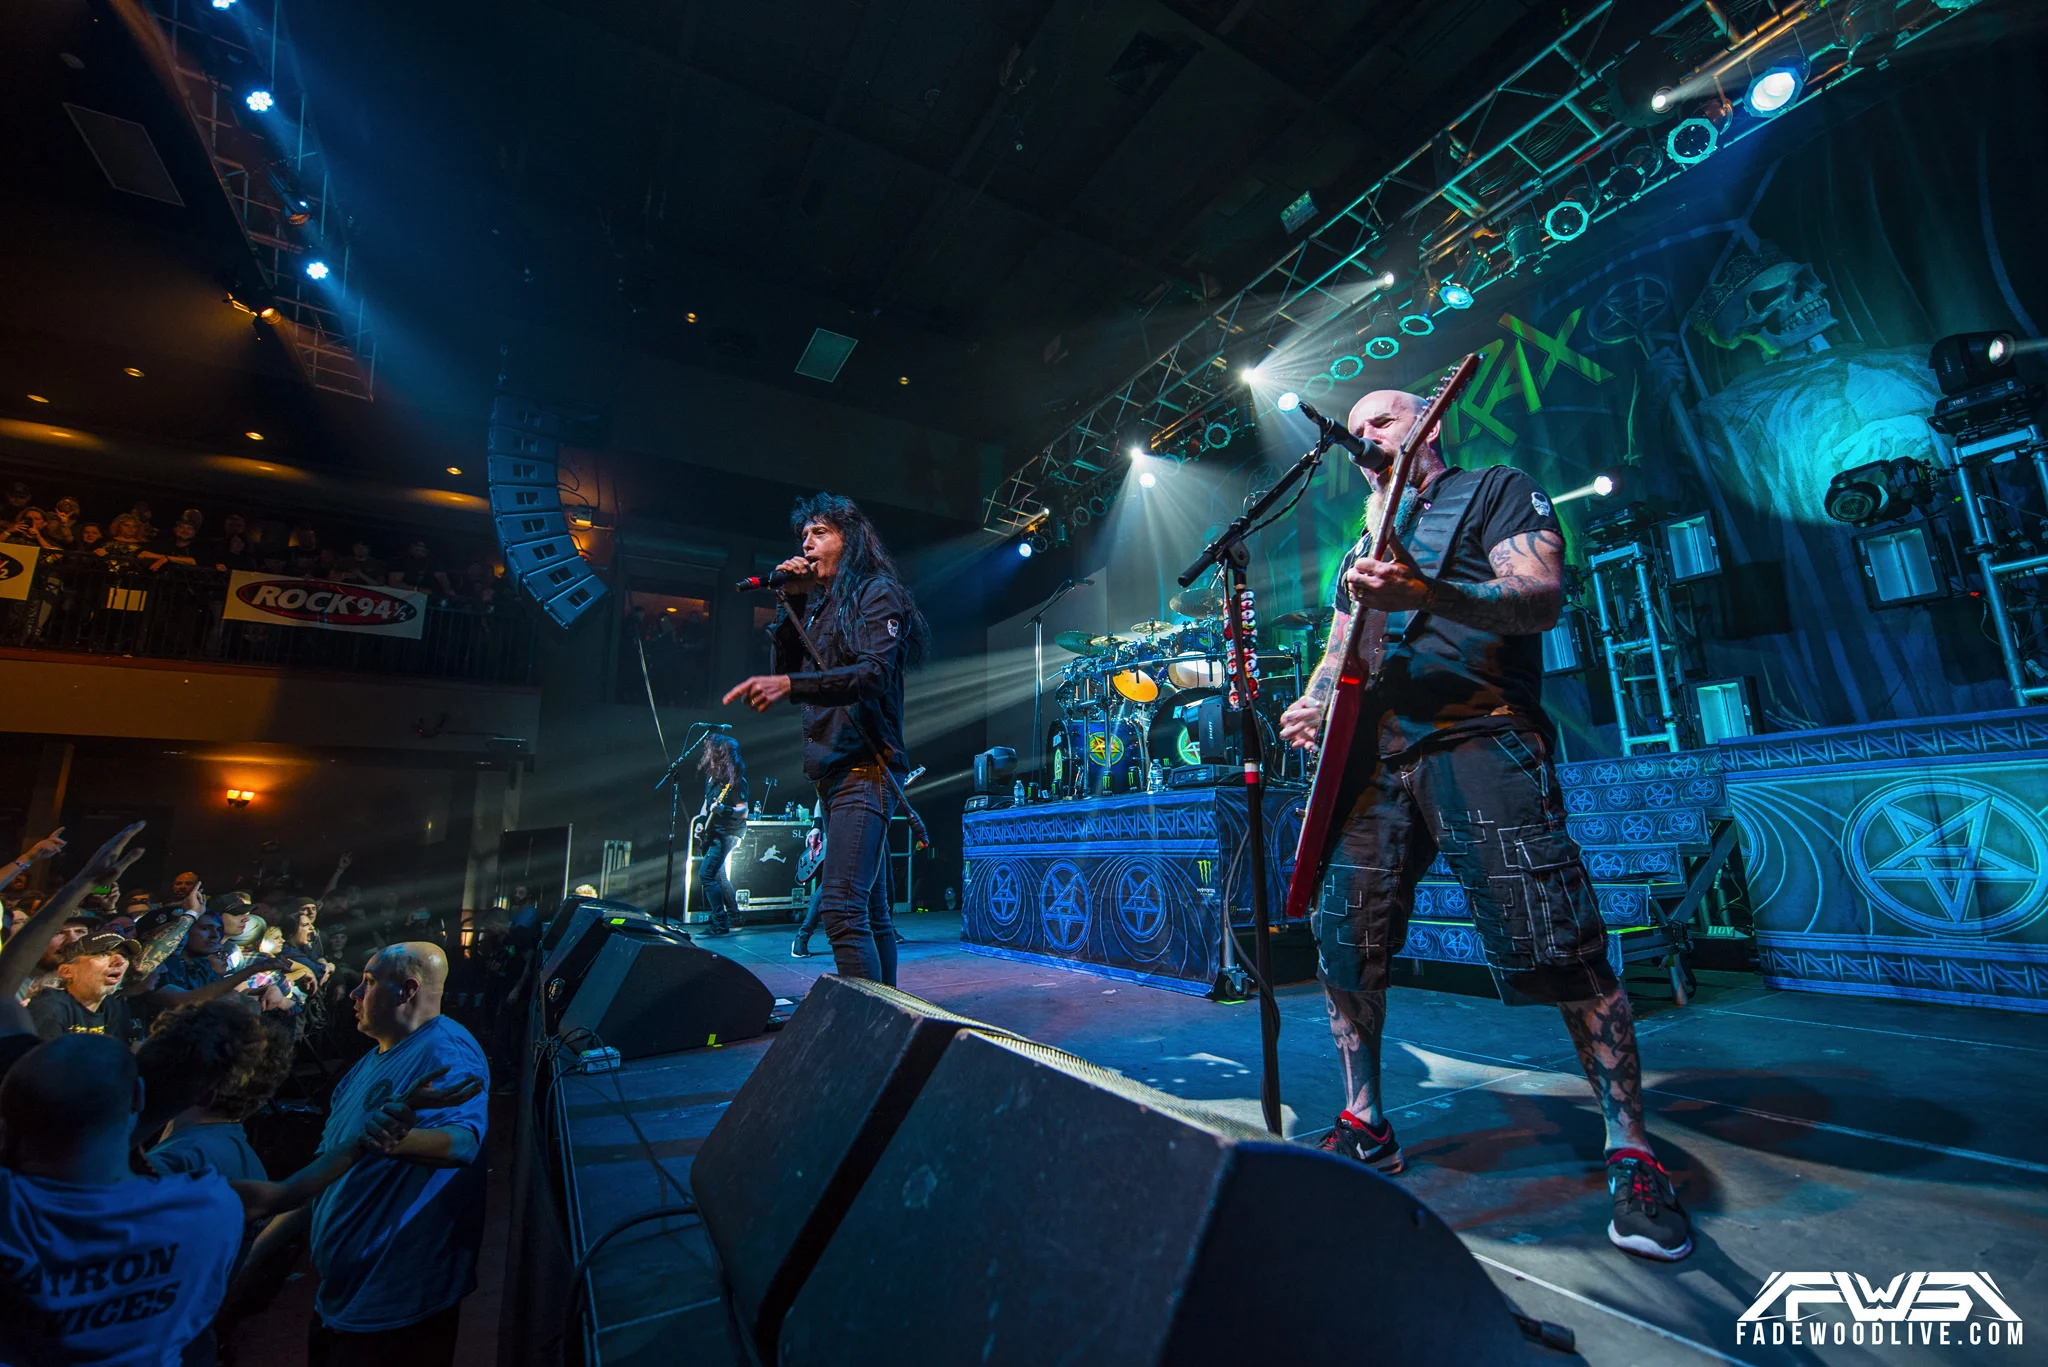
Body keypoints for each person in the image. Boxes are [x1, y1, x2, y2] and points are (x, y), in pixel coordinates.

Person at [1277, 389, 1692, 1262]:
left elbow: (1538, 595)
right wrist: (1313, 704)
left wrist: (1427, 590)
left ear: (1429, 423)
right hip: (1374, 760)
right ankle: (1365, 1120)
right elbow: (1340, 648)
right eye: (1357, 429)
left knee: (1559, 941)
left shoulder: (1494, 489)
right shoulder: (1362, 544)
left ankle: (1632, 1150)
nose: (1363, 437)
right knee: (1346, 939)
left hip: (1479, 734)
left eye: (1382, 421)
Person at [724, 493, 927, 985]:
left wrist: (791, 685)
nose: (806, 544)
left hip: (867, 766)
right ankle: (888, 1015)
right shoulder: (820, 607)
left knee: (840, 908)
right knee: (871, 911)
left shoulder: (876, 593)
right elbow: (787, 670)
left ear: (849, 539)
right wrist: (793, 600)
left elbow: (873, 674)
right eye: (803, 536)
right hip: (834, 768)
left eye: (819, 533)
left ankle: (868, 1022)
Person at [303, 941, 491, 1366]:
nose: (355, 994)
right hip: (346, 1297)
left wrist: (398, 1142)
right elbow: (324, 1167)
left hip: (396, 1305)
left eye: (369, 982)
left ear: (406, 990)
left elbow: (463, 1142)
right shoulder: (371, 1062)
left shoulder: (445, 1053)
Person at [29, 929, 144, 1041]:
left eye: (124, 955)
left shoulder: (113, 1006)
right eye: (104, 954)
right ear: (67, 971)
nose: (120, 961)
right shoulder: (48, 1007)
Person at [694, 734, 750, 936]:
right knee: (719, 875)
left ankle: (719, 923)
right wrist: (701, 822)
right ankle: (734, 918)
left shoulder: (735, 781)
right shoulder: (713, 778)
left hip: (729, 832)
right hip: (715, 831)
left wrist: (724, 810)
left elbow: (743, 811)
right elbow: (706, 803)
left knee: (706, 875)